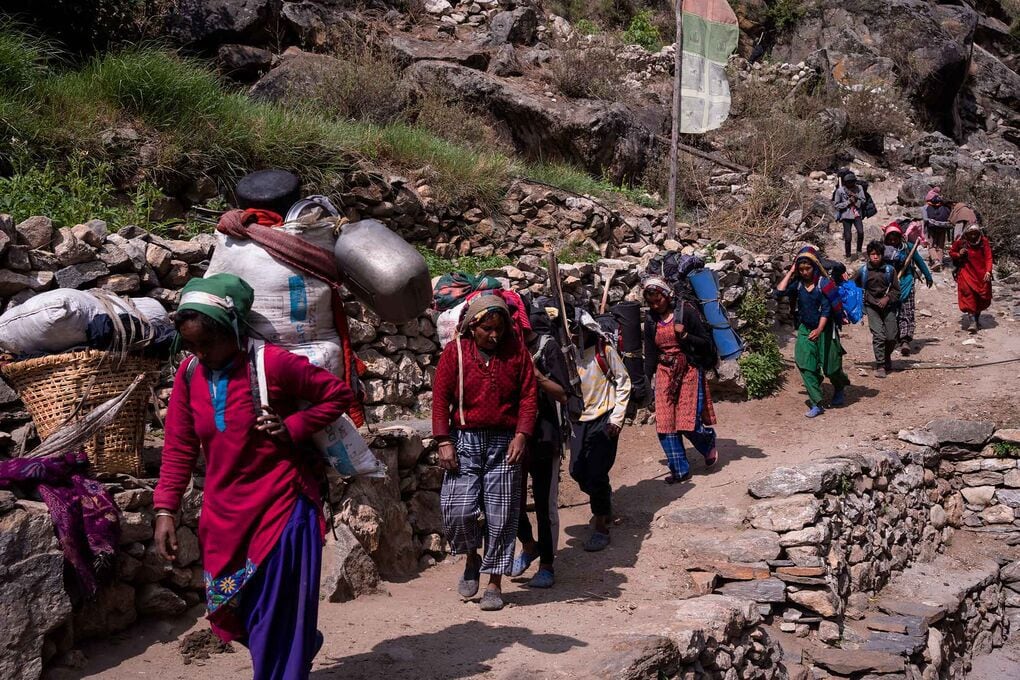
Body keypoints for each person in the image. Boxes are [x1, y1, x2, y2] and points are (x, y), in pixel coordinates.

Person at [154, 274, 355, 680]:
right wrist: (164, 510)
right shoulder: (191, 374)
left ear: (232, 330)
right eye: (190, 345)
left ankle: (288, 655)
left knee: (274, 619)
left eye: (206, 343)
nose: (198, 353)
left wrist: (294, 426)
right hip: (225, 516)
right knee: (238, 611)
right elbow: (178, 446)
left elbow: (338, 394)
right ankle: (297, 644)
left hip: (282, 510)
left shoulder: (271, 364)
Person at [432, 294, 538, 611]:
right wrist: (443, 440)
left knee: (501, 516)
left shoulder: (517, 353)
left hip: (505, 445)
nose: (494, 335)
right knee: (458, 509)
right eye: (487, 329)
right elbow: (440, 397)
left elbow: (529, 398)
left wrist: (521, 435)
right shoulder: (456, 354)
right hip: (464, 441)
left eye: (499, 329)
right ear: (472, 326)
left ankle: (494, 583)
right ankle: (471, 556)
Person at [510, 305, 571, 589]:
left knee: (545, 505)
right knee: (510, 501)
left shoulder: (547, 348)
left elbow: (563, 394)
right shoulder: (505, 350)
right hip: (514, 437)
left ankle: (547, 564)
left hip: (544, 437)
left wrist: (538, 377)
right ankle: (529, 544)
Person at [641, 277, 718, 484]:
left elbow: (706, 343)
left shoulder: (686, 312)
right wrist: (646, 380)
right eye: (651, 303)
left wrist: (685, 336)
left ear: (667, 296)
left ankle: (707, 441)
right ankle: (679, 470)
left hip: (689, 369)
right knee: (665, 424)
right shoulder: (650, 321)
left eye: (659, 301)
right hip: (665, 372)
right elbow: (650, 353)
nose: (656, 306)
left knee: (687, 422)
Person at [570, 309, 631, 552]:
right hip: (578, 421)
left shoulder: (603, 351)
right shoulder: (568, 355)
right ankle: (603, 498)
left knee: (596, 471)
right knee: (576, 470)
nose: (573, 337)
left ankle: (601, 525)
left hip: (603, 418)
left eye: (576, 332)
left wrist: (616, 419)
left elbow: (623, 382)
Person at [776, 251, 851, 417]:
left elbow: (826, 309)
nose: (804, 272)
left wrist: (818, 330)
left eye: (807, 268)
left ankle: (839, 386)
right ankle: (817, 402)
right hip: (805, 328)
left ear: (814, 268)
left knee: (831, 367)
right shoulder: (797, 285)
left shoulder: (823, 284)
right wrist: (791, 271)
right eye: (801, 269)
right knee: (805, 364)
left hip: (825, 328)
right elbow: (779, 292)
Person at [853, 240, 902, 377]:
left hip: (887, 307)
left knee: (892, 336)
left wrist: (887, 298)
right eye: (873, 254)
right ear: (869, 255)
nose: (875, 257)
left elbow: (896, 291)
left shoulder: (889, 270)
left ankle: (886, 357)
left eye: (878, 254)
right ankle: (880, 364)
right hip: (871, 307)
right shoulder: (863, 271)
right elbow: (853, 286)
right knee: (879, 335)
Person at [884, 223, 933, 355]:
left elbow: (919, 262)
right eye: (890, 239)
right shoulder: (883, 251)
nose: (893, 241)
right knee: (892, 313)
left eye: (895, 238)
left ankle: (905, 340)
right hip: (889, 286)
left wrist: (928, 276)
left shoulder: (908, 249)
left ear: (900, 238)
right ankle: (893, 337)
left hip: (906, 283)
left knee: (907, 311)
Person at [949, 224, 994, 331]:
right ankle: (972, 322)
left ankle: (977, 319)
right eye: (971, 233)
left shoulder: (984, 242)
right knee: (968, 295)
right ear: (967, 234)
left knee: (981, 298)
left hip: (981, 275)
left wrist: (988, 271)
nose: (973, 235)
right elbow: (952, 252)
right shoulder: (961, 242)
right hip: (966, 273)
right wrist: (959, 254)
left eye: (975, 233)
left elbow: (988, 257)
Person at [833, 172, 867, 260]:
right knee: (848, 237)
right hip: (846, 215)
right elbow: (836, 205)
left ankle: (859, 252)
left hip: (857, 214)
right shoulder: (840, 191)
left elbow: (863, 200)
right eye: (849, 183)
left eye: (853, 182)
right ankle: (848, 255)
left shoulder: (859, 188)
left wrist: (856, 200)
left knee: (861, 232)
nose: (851, 184)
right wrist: (848, 202)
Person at [922, 191, 952, 271]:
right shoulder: (945, 207)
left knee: (931, 245)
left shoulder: (926, 207)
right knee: (940, 246)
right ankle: (941, 263)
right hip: (943, 228)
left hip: (931, 228)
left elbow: (925, 219)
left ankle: (935, 260)